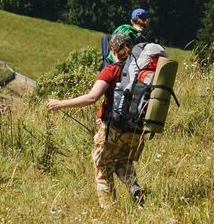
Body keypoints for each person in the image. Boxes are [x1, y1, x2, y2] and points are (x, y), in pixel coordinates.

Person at [46, 33, 149, 209]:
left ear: (112, 50)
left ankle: (110, 210)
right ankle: (136, 191)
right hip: (136, 129)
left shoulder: (112, 70)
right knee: (123, 161)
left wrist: (60, 104)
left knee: (102, 166)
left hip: (113, 128)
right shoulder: (141, 71)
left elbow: (92, 97)